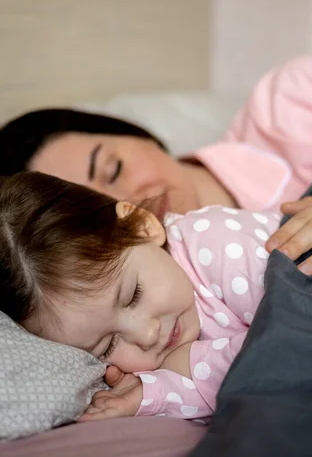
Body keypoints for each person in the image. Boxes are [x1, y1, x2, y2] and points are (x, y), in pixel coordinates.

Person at [1, 55, 312, 278]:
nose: (128, 203)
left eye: (112, 170)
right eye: (96, 209)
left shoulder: (298, 100)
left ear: (137, 133)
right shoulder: (171, 301)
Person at [0, 171, 280, 421]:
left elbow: (288, 342)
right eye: (108, 346)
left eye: (134, 295)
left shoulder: (218, 244)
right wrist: (158, 392)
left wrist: (187, 366)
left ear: (142, 227)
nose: (147, 336)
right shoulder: (155, 360)